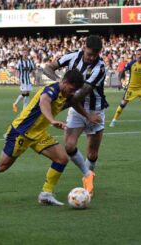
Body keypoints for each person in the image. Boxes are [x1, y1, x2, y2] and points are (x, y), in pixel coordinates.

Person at [0, 70, 85, 206]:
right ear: (64, 82)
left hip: (39, 133)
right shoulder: (52, 89)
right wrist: (51, 120)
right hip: (21, 131)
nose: (73, 92)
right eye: (72, 89)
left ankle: (46, 194)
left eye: (75, 90)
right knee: (3, 165)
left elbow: (75, 102)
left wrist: (88, 116)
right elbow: (43, 102)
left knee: (62, 158)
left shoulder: (66, 94)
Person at [43, 35, 107, 197]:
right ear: (84, 47)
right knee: (69, 146)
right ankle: (87, 177)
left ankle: (88, 175)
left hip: (94, 111)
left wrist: (60, 104)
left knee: (92, 153)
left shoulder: (100, 68)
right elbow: (48, 68)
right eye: (89, 53)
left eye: (95, 55)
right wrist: (60, 83)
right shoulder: (72, 57)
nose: (92, 58)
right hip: (76, 110)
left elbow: (81, 93)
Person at [12, 48, 36, 113]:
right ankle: (15, 104)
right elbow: (17, 70)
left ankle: (24, 110)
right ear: (22, 53)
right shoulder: (20, 61)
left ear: (27, 54)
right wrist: (17, 78)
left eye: (26, 53)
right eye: (24, 53)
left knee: (27, 94)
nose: (25, 54)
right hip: (22, 80)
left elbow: (33, 70)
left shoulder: (30, 61)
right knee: (24, 93)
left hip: (28, 80)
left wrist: (35, 78)